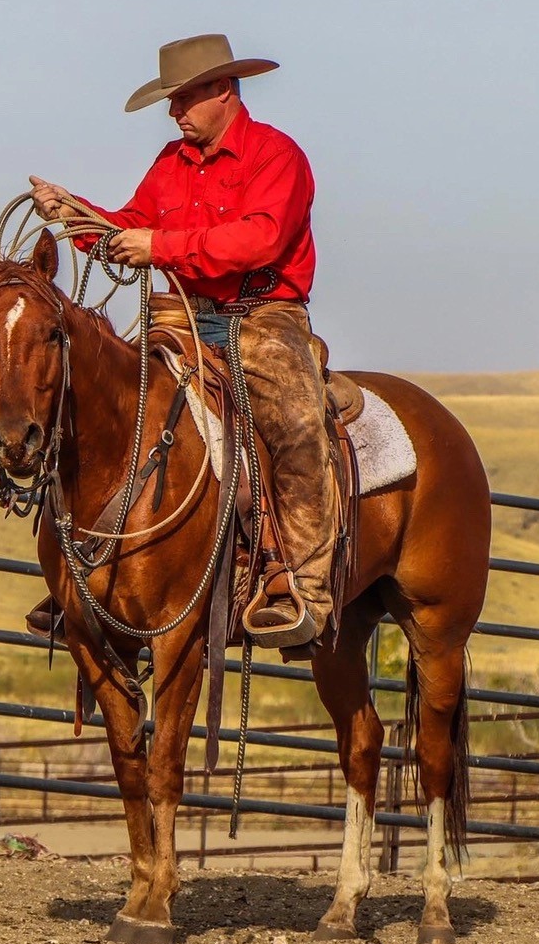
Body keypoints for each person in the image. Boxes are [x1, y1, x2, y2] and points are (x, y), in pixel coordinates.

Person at [29, 33, 335, 658]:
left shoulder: (278, 156)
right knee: (109, 400)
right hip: (181, 314)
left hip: (264, 316)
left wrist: (158, 247)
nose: (175, 113)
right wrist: (72, 212)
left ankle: (303, 582)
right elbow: (131, 225)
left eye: (185, 99)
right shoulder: (171, 162)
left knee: (296, 423)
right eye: (172, 102)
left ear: (223, 91)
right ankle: (89, 566)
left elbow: (260, 240)